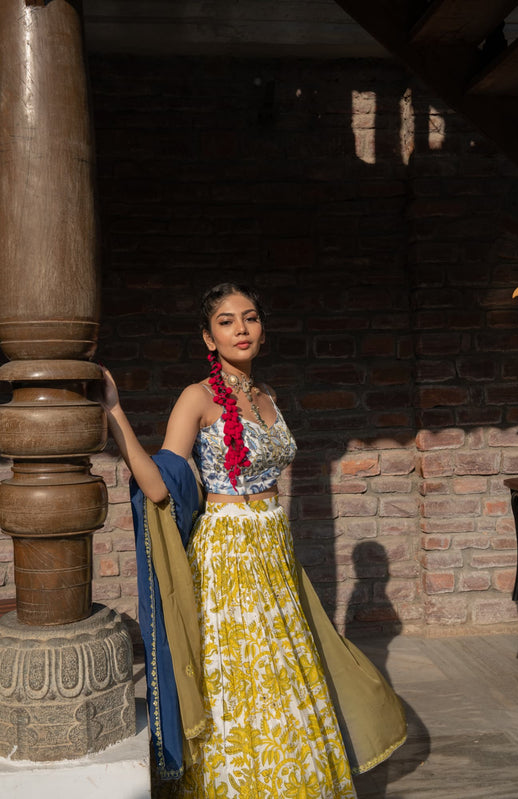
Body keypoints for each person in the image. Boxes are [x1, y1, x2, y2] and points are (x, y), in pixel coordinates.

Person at [98, 282, 406, 798]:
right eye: (226, 320)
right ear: (208, 337)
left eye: (250, 317)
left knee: (287, 671)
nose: (241, 328)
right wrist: (115, 412)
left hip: (273, 546)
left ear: (262, 330)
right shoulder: (196, 398)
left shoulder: (269, 398)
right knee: (244, 677)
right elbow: (157, 485)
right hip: (228, 553)